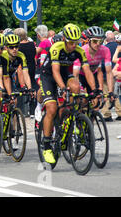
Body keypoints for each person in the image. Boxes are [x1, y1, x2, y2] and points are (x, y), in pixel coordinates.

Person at [39, 23, 96, 164]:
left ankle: (74, 119)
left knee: (77, 88)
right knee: (52, 108)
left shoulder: (79, 50)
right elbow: (55, 71)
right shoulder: (56, 48)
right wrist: (63, 89)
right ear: (64, 39)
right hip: (48, 76)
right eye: (70, 42)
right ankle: (46, 146)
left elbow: (87, 71)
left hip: (65, 74)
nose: (73, 46)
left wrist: (94, 90)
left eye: (76, 42)